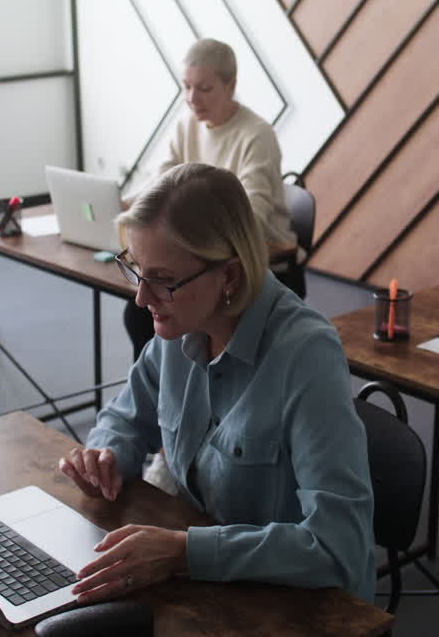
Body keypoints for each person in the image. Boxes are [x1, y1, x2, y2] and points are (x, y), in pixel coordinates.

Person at [59, 163, 375, 605]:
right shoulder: (181, 324)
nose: (142, 298)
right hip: (218, 583)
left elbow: (339, 546)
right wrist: (106, 455)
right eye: (136, 269)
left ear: (228, 275)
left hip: (301, 605)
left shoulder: (306, 356)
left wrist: (186, 552)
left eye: (163, 281)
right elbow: (126, 418)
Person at [122, 38, 296, 362]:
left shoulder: (256, 134)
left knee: (139, 315)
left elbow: (252, 217)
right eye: (186, 87)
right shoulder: (189, 125)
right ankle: (159, 395)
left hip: (260, 260)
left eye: (204, 88)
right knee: (139, 313)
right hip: (197, 251)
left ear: (231, 85)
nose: (191, 99)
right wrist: (129, 204)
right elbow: (160, 185)